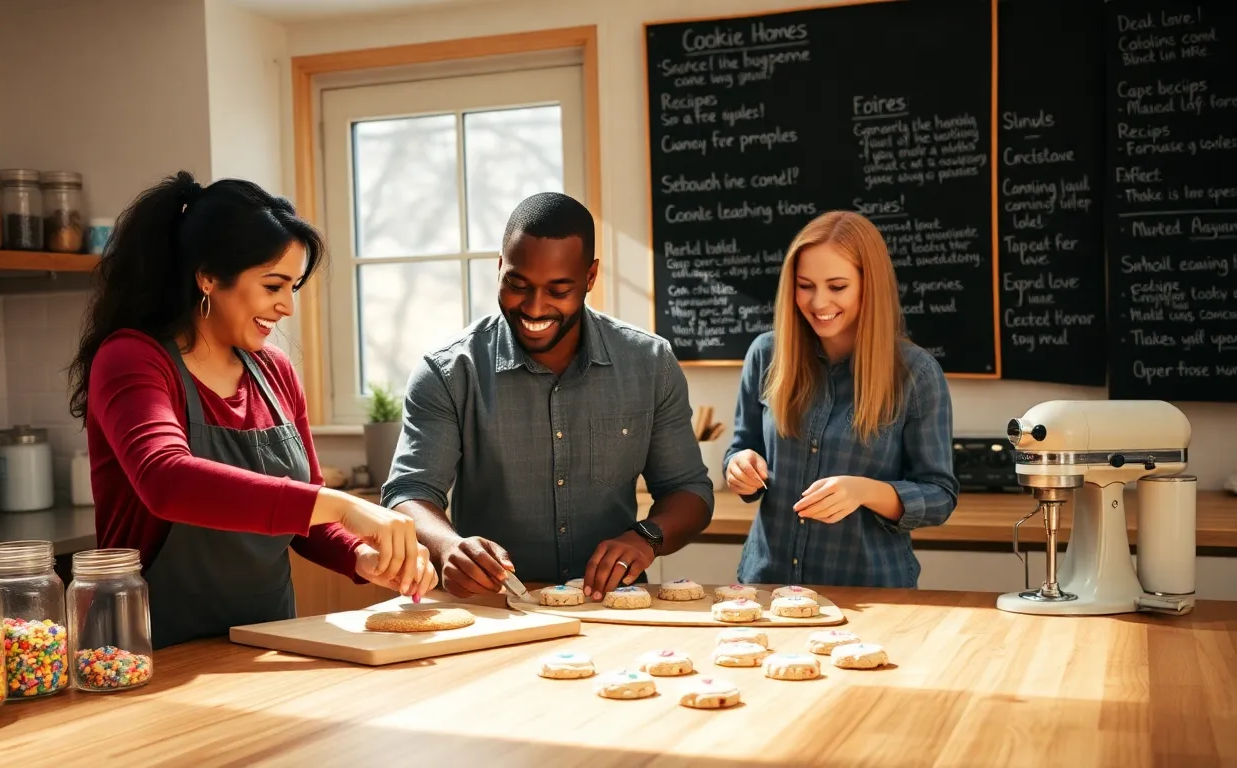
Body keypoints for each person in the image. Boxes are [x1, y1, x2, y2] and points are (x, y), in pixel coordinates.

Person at [68, 171, 434, 649]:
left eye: (293, 288)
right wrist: (347, 508)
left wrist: (362, 556)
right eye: (273, 285)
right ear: (208, 277)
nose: (287, 306)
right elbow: (166, 479)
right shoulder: (132, 359)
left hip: (268, 642)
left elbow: (303, 518)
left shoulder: (275, 373)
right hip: (147, 649)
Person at [381, 192, 714, 600]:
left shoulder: (649, 362)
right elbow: (408, 492)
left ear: (590, 278)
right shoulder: (448, 372)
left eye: (559, 289)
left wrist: (644, 537)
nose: (534, 308)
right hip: (494, 605)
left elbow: (690, 491)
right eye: (518, 285)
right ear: (500, 267)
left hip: (613, 604)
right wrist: (448, 545)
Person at [723, 210, 958, 588]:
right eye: (805, 285)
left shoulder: (917, 374)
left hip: (871, 592)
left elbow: (940, 497)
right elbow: (742, 447)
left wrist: (865, 491)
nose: (818, 302)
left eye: (836, 287)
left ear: (870, 285)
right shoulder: (766, 355)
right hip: (767, 588)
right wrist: (739, 466)